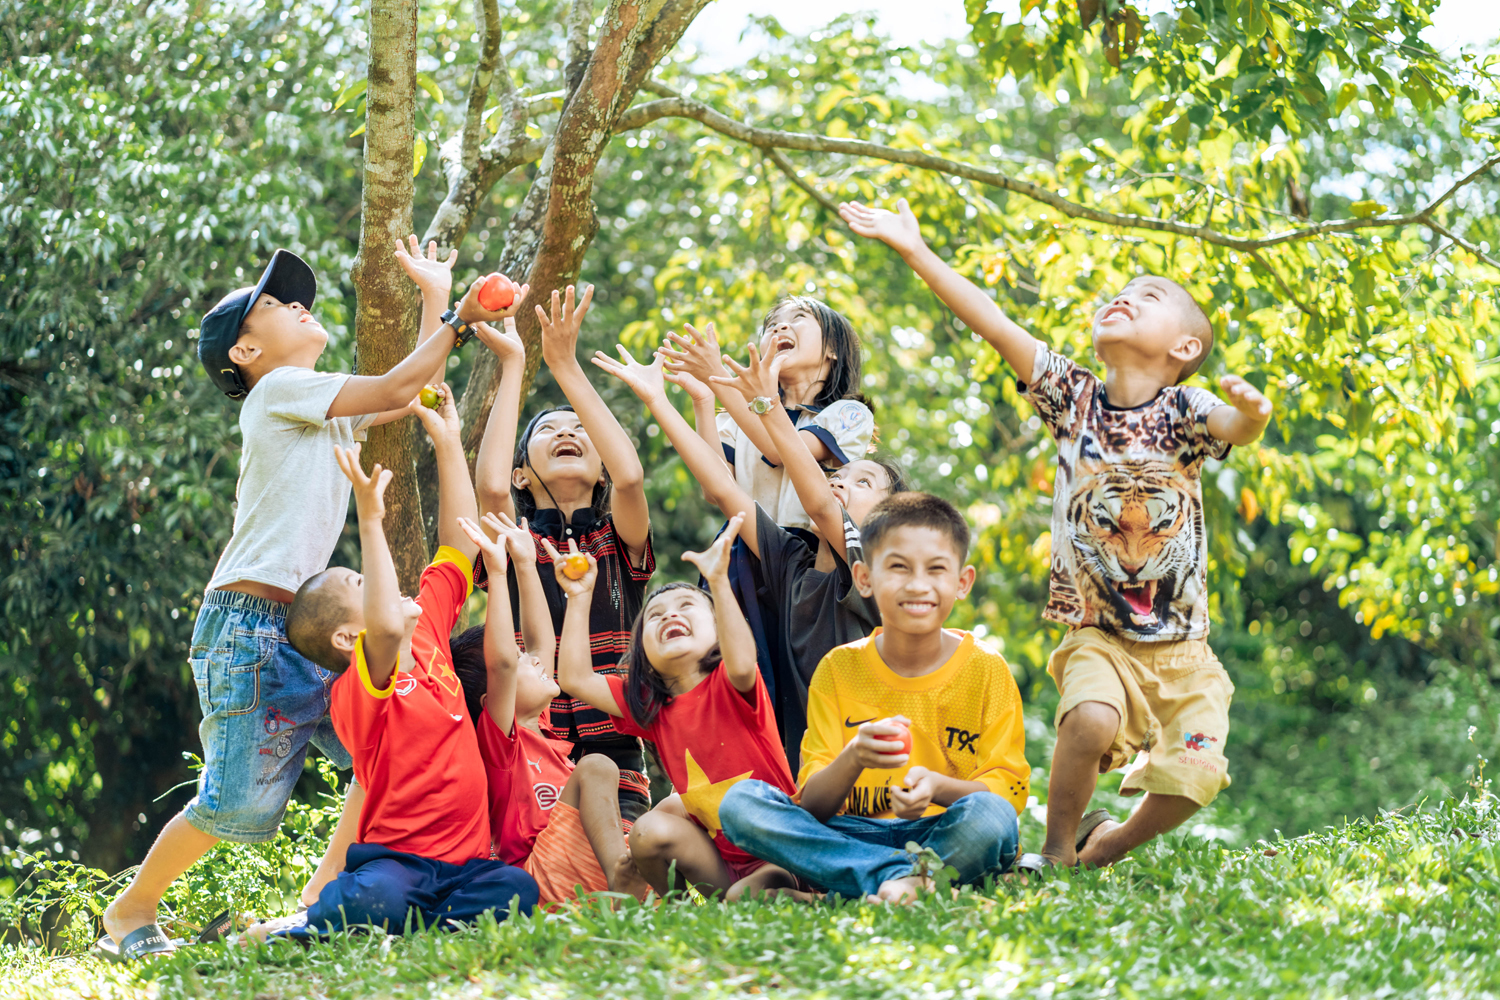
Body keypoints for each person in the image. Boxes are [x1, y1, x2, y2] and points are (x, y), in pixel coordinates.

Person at [97, 241, 523, 962]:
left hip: (309, 633)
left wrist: (435, 299)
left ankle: (314, 903)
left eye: (298, 299)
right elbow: (395, 386)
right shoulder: (276, 393)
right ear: (245, 353)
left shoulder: (317, 403)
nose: (299, 306)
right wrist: (455, 315)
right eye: (275, 304)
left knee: (381, 754)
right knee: (236, 803)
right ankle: (128, 913)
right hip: (252, 630)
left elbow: (403, 390)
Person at [839, 198, 1273, 871]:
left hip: (1184, 648)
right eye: (1120, 294)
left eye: (1148, 296)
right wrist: (914, 251)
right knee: (1092, 721)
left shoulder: (1187, 408)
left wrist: (1251, 416)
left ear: (1185, 348)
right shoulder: (1076, 399)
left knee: (1197, 772)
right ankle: (1055, 847)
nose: (1123, 299)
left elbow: (1231, 429)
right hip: (1096, 632)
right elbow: (993, 322)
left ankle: (1109, 846)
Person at [260, 389, 538, 940]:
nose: (381, 585)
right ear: (348, 636)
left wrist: (448, 440)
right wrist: (369, 520)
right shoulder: (359, 690)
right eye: (361, 583)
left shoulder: (429, 628)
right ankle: (318, 922)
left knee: (516, 890)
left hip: (462, 867)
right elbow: (385, 628)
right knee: (378, 895)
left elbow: (457, 545)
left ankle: (419, 926)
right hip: (395, 862)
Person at [594, 339, 905, 767]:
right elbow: (723, 489)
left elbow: (817, 503)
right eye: (839, 474)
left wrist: (763, 401)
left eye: (863, 482)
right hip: (805, 776)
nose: (838, 481)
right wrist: (658, 400)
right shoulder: (793, 564)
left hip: (870, 776)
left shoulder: (869, 573)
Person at [719, 493, 1030, 904]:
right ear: (864, 577)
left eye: (936, 569)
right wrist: (854, 758)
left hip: (943, 831)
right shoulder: (838, 668)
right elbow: (812, 806)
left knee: (992, 819)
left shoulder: (987, 669)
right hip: (850, 832)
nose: (918, 584)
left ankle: (844, 892)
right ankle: (908, 882)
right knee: (741, 805)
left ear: (962, 582)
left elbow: (1007, 796)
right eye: (898, 567)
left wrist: (937, 786)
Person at [472, 285, 656, 823]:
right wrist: (514, 367)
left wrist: (566, 365)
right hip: (526, 742)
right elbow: (490, 488)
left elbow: (631, 475)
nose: (566, 432)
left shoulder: (616, 542)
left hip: (618, 754)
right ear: (522, 473)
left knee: (617, 859)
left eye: (579, 430)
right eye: (548, 429)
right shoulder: (518, 540)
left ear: (599, 469)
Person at [548, 519, 800, 899]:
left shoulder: (732, 683)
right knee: (647, 832)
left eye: (686, 606)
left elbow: (744, 660)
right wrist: (580, 596)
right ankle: (682, 911)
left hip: (783, 856)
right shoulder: (651, 706)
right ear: (642, 650)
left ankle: (812, 896)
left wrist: (717, 581)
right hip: (723, 864)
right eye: (655, 615)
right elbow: (576, 679)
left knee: (743, 899)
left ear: (718, 631)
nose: (669, 615)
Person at [452, 509, 650, 906]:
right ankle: (621, 875)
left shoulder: (540, 727)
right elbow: (504, 661)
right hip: (539, 873)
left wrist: (526, 563)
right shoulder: (503, 744)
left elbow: (542, 645)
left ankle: (633, 891)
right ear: (493, 699)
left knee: (671, 815)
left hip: (576, 868)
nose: (534, 659)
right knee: (596, 766)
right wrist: (498, 569)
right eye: (523, 662)